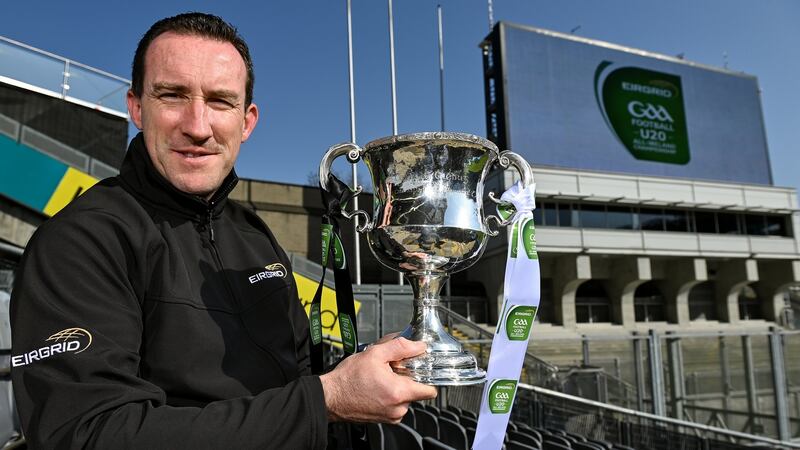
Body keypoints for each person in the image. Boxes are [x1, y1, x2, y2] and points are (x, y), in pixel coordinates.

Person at [10, 12, 436, 449]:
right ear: (137, 107)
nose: (197, 126)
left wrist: (363, 374)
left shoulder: (254, 235)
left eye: (219, 101)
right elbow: (89, 435)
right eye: (173, 95)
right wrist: (326, 400)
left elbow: (300, 380)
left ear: (246, 121)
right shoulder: (79, 243)